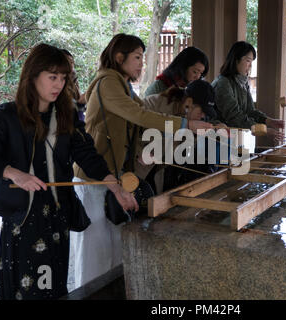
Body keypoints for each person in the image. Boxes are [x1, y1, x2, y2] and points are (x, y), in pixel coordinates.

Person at [0, 43, 133, 300]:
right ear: (33, 76)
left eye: (63, 78)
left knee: (54, 287)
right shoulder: (6, 116)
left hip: (57, 218)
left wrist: (115, 187)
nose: (59, 84)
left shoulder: (66, 114)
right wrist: (13, 172)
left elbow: (87, 154)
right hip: (23, 222)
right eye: (52, 77)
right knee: (27, 291)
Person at [72, 33, 213, 288]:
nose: (141, 63)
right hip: (92, 175)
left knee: (113, 243)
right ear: (119, 57)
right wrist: (185, 124)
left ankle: (108, 292)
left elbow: (143, 113)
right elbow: (138, 115)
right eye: (137, 57)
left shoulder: (123, 83)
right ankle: (87, 292)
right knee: (93, 247)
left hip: (111, 176)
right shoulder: (107, 82)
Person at [139, 79, 224, 192]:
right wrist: (140, 151)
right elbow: (131, 131)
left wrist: (216, 129)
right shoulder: (154, 106)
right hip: (137, 169)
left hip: (160, 171)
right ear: (188, 103)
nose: (202, 116)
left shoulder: (189, 118)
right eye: (201, 111)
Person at [211, 41, 285, 143]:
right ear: (236, 59)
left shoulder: (242, 82)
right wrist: (263, 130)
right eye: (248, 61)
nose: (250, 66)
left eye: (251, 62)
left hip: (229, 138)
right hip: (215, 139)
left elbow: (250, 111)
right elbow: (234, 116)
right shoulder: (223, 83)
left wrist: (269, 121)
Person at [144, 46, 209, 96]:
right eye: (195, 72)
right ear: (183, 67)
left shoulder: (193, 89)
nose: (197, 77)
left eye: (201, 73)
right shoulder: (158, 87)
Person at [61, 49, 87, 121]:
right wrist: (80, 104)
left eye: (71, 62)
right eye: (67, 62)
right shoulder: (59, 85)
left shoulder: (74, 79)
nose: (70, 66)